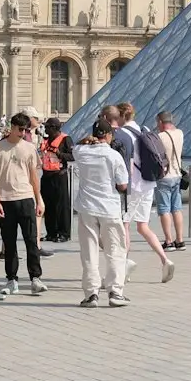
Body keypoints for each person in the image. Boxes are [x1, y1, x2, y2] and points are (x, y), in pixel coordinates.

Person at [72, 120, 130, 306]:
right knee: (115, 251)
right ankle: (115, 292)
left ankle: (91, 294)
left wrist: (87, 140)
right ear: (108, 135)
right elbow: (122, 185)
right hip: (109, 208)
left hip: (87, 207)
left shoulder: (80, 152)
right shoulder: (113, 156)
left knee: (89, 252)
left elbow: (77, 145)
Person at [117, 104, 175, 281]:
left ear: (120, 116)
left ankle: (124, 265)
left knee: (124, 225)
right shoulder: (145, 130)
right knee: (143, 226)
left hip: (134, 186)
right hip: (149, 183)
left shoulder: (123, 134)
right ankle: (165, 260)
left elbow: (126, 162)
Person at [0, 112, 48, 295]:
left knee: (31, 240)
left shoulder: (29, 147)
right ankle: (11, 279)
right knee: (9, 243)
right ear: (12, 127)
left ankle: (35, 277)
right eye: (19, 129)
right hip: (6, 199)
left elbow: (34, 176)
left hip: (25, 198)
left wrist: (39, 199)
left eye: (25, 130)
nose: (22, 133)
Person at [154, 110, 186, 252]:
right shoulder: (180, 133)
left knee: (164, 209)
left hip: (164, 176)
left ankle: (168, 241)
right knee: (177, 209)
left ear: (160, 122)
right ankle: (180, 240)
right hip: (177, 175)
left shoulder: (159, 137)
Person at [38, 117, 73, 243]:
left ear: (54, 128)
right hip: (46, 176)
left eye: (48, 127)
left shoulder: (65, 139)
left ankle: (64, 233)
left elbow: (72, 156)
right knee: (48, 205)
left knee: (62, 206)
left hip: (59, 176)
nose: (46, 129)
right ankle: (51, 233)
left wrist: (59, 154)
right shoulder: (45, 140)